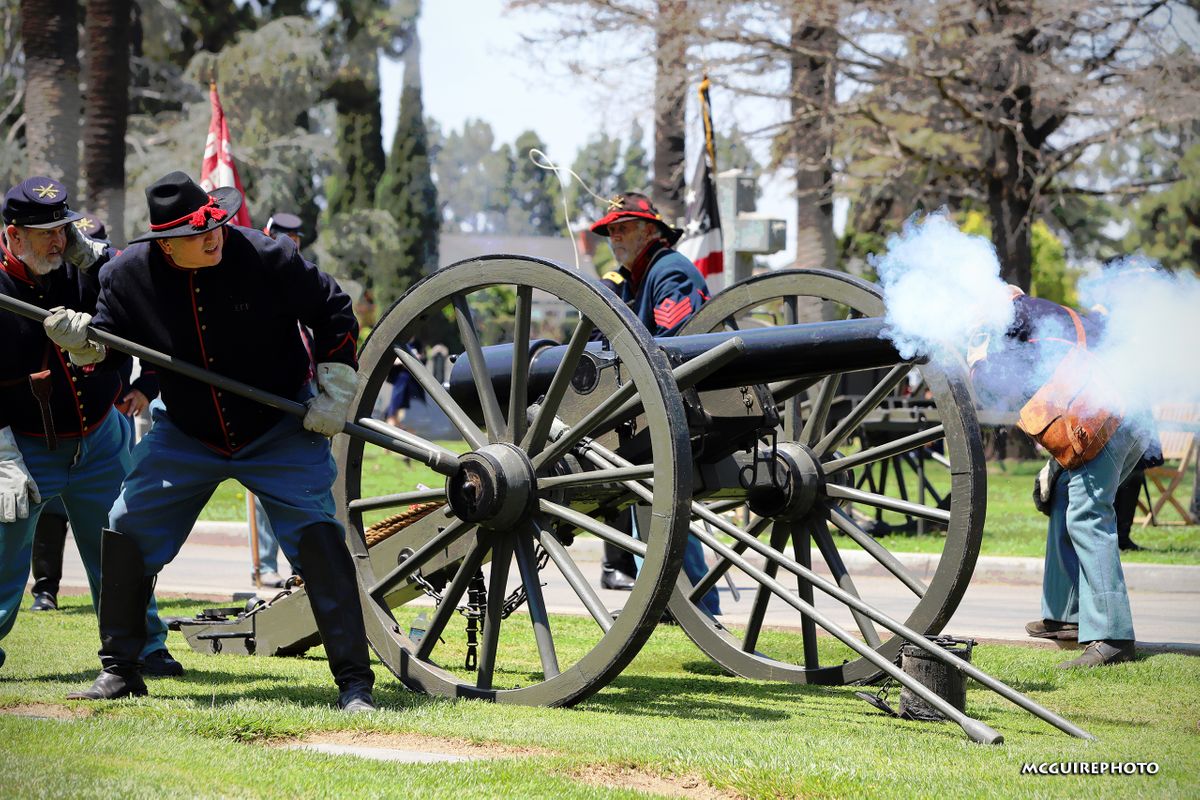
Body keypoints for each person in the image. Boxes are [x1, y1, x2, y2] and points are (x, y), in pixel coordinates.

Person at [48, 172, 375, 710]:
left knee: (319, 539)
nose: (215, 236)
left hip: (278, 425)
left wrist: (335, 389)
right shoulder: (127, 277)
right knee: (126, 526)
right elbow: (107, 346)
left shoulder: (268, 256)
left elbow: (333, 309)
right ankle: (122, 670)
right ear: (166, 245)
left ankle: (354, 685)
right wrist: (82, 345)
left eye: (218, 225)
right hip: (187, 431)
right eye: (199, 234)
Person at [0, 177, 178, 675]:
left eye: (63, 228)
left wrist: (100, 257)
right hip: (24, 445)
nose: (58, 241)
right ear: (13, 237)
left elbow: (145, 288)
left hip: (101, 436)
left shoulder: (81, 265)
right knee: (3, 558)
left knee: (121, 549)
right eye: (45, 233)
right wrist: (2, 455)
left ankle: (143, 646)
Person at [969, 286, 1147, 668]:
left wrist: (974, 355)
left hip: (1101, 419)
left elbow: (987, 383)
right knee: (1065, 494)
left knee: (1087, 515)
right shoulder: (1051, 315)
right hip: (1125, 416)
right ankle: (1065, 615)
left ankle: (1112, 638)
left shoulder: (1010, 319)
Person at [588, 193, 720, 615]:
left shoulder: (670, 271)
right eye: (610, 230)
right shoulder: (631, 281)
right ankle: (676, 604)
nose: (614, 237)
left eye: (623, 227)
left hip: (682, 406)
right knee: (652, 500)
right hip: (651, 411)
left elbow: (675, 343)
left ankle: (688, 604)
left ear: (652, 231)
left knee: (660, 501)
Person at [27, 213, 161, 612]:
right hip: (46, 428)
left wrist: (142, 389)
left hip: (108, 414)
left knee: (117, 524)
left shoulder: (109, 276)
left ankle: (139, 636)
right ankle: (46, 589)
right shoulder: (46, 282)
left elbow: (147, 335)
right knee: (47, 516)